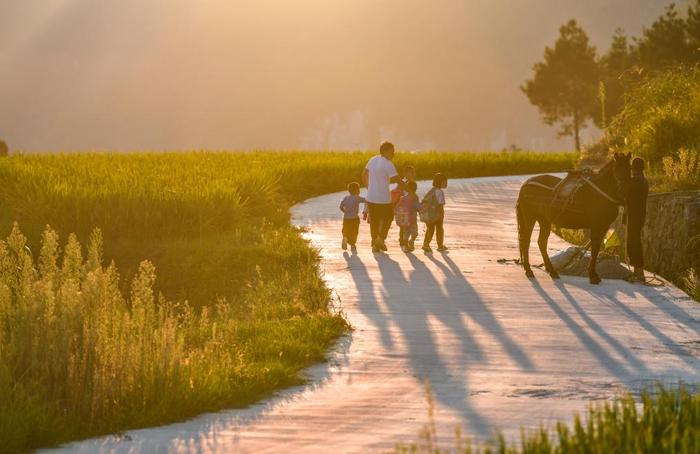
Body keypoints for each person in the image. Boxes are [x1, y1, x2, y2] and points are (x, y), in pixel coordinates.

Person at [362, 142, 404, 252]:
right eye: (392, 151)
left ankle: (375, 245)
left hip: (371, 197)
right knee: (388, 218)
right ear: (385, 151)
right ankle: (380, 239)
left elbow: (363, 174)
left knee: (374, 221)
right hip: (383, 199)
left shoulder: (373, 159)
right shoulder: (388, 163)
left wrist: (369, 188)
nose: (393, 153)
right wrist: (409, 190)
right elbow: (397, 179)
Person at [626, 157, 649, 281]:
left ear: (633, 168)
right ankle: (638, 271)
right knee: (635, 241)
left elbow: (626, 196)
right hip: (640, 215)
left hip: (634, 215)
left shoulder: (634, 181)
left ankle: (639, 273)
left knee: (633, 242)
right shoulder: (644, 180)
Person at [422, 172, 448, 253]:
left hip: (429, 214)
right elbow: (440, 205)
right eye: (445, 181)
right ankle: (440, 245)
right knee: (439, 229)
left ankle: (425, 244)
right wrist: (442, 214)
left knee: (430, 229)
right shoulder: (440, 192)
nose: (446, 183)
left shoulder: (432, 190)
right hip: (437, 214)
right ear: (440, 182)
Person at [395, 180, 421, 252]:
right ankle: (409, 242)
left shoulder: (403, 198)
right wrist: (422, 209)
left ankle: (408, 244)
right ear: (415, 189)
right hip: (411, 220)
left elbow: (397, 207)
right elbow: (417, 206)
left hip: (406, 219)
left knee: (407, 234)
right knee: (414, 233)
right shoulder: (414, 197)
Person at [339, 182, 366, 251]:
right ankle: (352, 244)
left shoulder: (346, 198)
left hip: (346, 218)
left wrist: (345, 211)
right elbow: (366, 200)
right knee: (354, 232)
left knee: (345, 229)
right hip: (354, 219)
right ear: (357, 190)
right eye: (359, 189)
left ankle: (345, 237)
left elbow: (341, 207)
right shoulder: (357, 198)